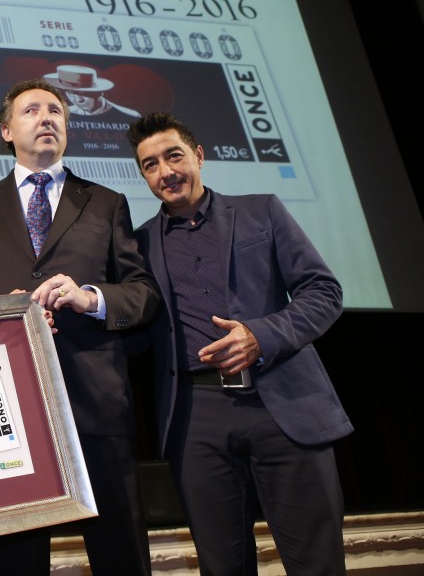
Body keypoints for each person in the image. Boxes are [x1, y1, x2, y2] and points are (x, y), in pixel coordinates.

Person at [126, 112, 351, 575]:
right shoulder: (138, 245)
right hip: (194, 415)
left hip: (281, 399)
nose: (165, 172)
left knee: (316, 560)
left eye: (174, 157)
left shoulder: (261, 210)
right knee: (221, 564)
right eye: (150, 165)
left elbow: (324, 292)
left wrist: (260, 336)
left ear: (199, 156)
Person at [0, 79, 161, 575]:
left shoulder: (106, 202)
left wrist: (90, 298)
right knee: (21, 553)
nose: (47, 118)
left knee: (119, 543)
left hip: (95, 393)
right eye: (32, 110)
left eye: (56, 111)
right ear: (7, 129)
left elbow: (143, 293)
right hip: (11, 397)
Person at [45, 64, 140, 120]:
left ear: (100, 92)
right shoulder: (61, 116)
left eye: (84, 94)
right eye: (70, 93)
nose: (79, 100)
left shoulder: (129, 116)